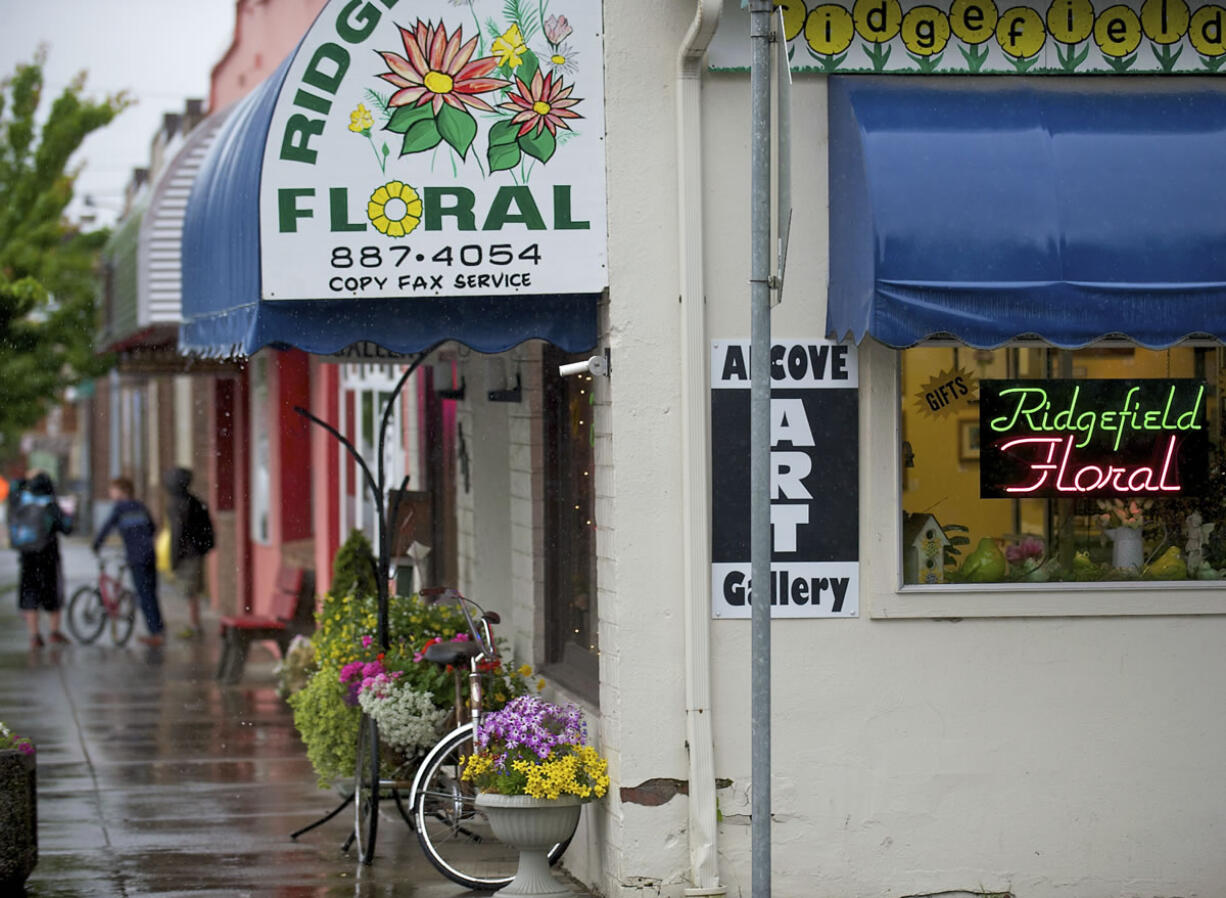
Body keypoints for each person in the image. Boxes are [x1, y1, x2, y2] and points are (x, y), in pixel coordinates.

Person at [92, 477, 165, 647]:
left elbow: (106, 527)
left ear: (123, 491)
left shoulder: (120, 508)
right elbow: (152, 528)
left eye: (113, 490)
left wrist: (96, 545)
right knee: (151, 592)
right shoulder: (140, 506)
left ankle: (155, 633)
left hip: (136, 557)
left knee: (143, 594)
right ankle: (159, 628)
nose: (111, 493)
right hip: (149, 554)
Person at [7, 471, 73, 649]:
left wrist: (25, 479)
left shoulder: (21, 501)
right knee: (53, 593)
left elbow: (14, 485)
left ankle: (34, 635)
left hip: (27, 557)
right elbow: (67, 528)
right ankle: (54, 632)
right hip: (48, 557)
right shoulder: (50, 506)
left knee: (29, 594)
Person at [163, 467, 214, 639]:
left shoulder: (178, 504)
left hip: (188, 554)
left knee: (189, 591)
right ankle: (194, 624)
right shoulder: (194, 501)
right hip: (196, 552)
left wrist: (173, 558)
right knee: (192, 591)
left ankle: (194, 626)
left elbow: (177, 533)